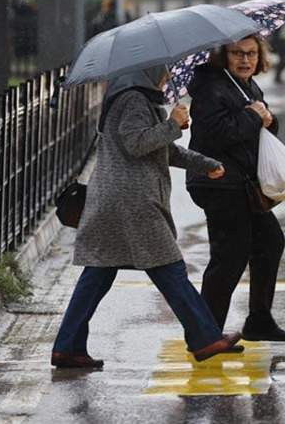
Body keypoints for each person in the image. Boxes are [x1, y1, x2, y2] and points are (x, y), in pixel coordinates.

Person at [52, 65, 240, 368]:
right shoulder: (133, 100)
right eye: (163, 70)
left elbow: (164, 150)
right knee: (170, 269)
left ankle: (67, 346)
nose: (167, 76)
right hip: (133, 201)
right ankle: (205, 338)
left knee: (97, 275)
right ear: (147, 70)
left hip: (119, 199)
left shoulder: (139, 98)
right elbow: (136, 143)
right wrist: (173, 124)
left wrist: (205, 163)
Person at [186, 35, 285, 342]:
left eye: (251, 54)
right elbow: (215, 135)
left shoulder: (244, 85)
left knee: (270, 242)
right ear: (224, 55)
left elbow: (254, 129)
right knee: (229, 256)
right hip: (217, 181)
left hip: (241, 182)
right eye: (237, 53)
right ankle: (205, 334)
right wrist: (251, 116)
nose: (245, 60)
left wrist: (268, 121)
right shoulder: (211, 88)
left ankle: (259, 320)